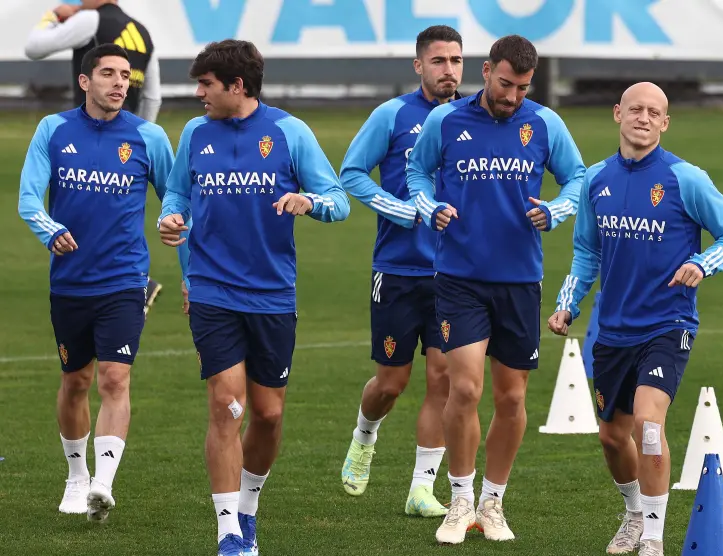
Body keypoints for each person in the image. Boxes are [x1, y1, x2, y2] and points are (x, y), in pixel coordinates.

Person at [157, 39, 350, 556]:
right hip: (212, 290)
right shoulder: (196, 133)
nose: (198, 93)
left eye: (206, 84)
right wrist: (170, 218)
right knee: (227, 406)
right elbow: (177, 193)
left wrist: (308, 201)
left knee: (267, 415)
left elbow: (338, 201)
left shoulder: (290, 133)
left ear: (236, 86)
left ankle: (247, 510)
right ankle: (227, 534)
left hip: (271, 295)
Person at [548, 82, 723, 556]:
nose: (643, 117)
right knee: (612, 436)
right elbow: (585, 252)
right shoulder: (595, 180)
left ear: (665, 122)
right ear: (618, 113)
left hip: (668, 324)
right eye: (635, 109)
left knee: (648, 425)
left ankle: (654, 541)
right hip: (613, 329)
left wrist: (703, 263)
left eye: (653, 112)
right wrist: (567, 304)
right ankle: (635, 513)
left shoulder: (686, 179)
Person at [406, 34, 586, 544]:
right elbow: (416, 171)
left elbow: (577, 179)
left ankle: (493, 501)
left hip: (520, 281)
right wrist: (427, 206)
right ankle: (459, 500)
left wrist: (556, 210)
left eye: (523, 87)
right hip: (459, 277)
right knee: (464, 387)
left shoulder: (545, 123)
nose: (512, 96)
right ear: (486, 71)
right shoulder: (446, 121)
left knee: (510, 398)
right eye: (505, 83)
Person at [17, 43, 173, 522]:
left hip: (125, 279)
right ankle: (76, 475)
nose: (120, 82)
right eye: (108, 73)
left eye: (126, 75)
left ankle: (102, 483)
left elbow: (177, 200)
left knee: (114, 377)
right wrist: (52, 231)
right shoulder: (54, 129)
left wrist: (176, 232)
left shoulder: (149, 137)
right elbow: (28, 200)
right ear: (85, 81)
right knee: (75, 380)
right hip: (70, 283)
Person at [337, 25, 464, 517]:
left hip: (454, 272)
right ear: (419, 65)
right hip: (396, 267)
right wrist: (397, 208)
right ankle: (364, 436)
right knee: (391, 381)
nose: (448, 70)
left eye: (455, 60)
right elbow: (351, 173)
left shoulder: (470, 118)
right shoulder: (391, 115)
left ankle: (421, 488)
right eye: (438, 61)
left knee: (443, 378)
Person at [25, 0, 166, 317]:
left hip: (87, 134)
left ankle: (132, 286)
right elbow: (153, 95)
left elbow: (34, 48)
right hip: (127, 145)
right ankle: (138, 282)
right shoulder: (142, 33)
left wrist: (55, 16)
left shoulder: (89, 20)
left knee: (85, 216)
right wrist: (139, 139)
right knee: (108, 223)